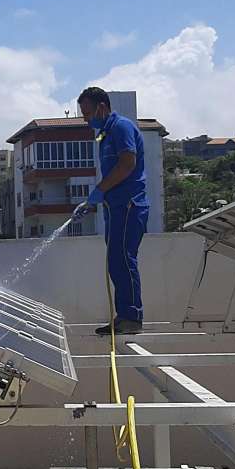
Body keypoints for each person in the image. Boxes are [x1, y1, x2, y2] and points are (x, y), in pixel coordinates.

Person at [77, 86, 149, 335]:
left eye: (88, 113)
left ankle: (131, 316)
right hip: (115, 206)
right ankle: (125, 315)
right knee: (116, 261)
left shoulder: (121, 127)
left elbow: (127, 164)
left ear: (102, 107)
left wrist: (98, 191)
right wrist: (94, 201)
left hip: (129, 204)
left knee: (123, 259)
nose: (86, 119)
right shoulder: (105, 135)